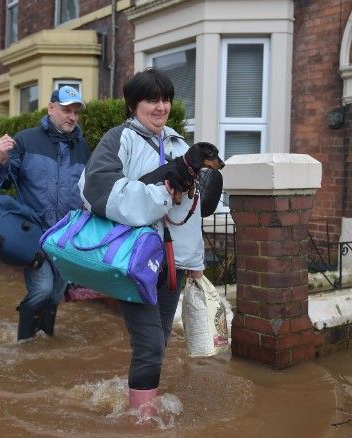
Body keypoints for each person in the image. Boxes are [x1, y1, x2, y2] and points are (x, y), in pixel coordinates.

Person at [79, 69, 205, 414]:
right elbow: (95, 191)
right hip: (134, 261)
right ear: (134, 104)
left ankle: (134, 398)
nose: (160, 106)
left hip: (173, 265)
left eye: (165, 99)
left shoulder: (180, 144)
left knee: (159, 341)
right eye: (152, 99)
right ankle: (141, 422)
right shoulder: (119, 139)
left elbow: (190, 217)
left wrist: (194, 264)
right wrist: (160, 194)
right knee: (149, 344)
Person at [0, 85, 91, 340]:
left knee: (56, 294)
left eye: (76, 112)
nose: (72, 117)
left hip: (67, 236)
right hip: (33, 232)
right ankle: (24, 342)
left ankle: (45, 340)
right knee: (43, 289)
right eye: (67, 110)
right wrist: (0, 159)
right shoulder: (26, 139)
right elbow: (4, 181)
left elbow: (89, 191)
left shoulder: (83, 148)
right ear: (51, 108)